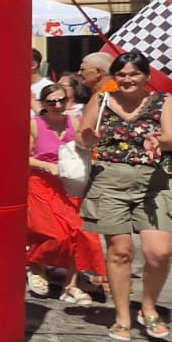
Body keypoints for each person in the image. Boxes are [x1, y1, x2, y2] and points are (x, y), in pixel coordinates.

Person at [78, 51, 172, 341]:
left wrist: (158, 140)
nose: (127, 79)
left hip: (151, 183)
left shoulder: (164, 100)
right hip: (109, 181)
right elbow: (82, 136)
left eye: (134, 73)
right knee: (120, 252)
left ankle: (148, 308)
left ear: (147, 76)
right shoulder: (101, 100)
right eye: (121, 74)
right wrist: (87, 139)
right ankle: (122, 315)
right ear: (114, 77)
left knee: (158, 253)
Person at [26, 82, 108, 305]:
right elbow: (22, 156)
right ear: (43, 104)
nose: (57, 105)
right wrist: (47, 166)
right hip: (42, 184)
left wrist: (92, 142)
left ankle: (70, 285)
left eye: (61, 100)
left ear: (68, 101)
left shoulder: (74, 122)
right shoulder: (34, 124)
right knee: (52, 233)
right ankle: (36, 267)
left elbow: (85, 147)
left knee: (80, 233)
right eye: (51, 102)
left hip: (70, 184)